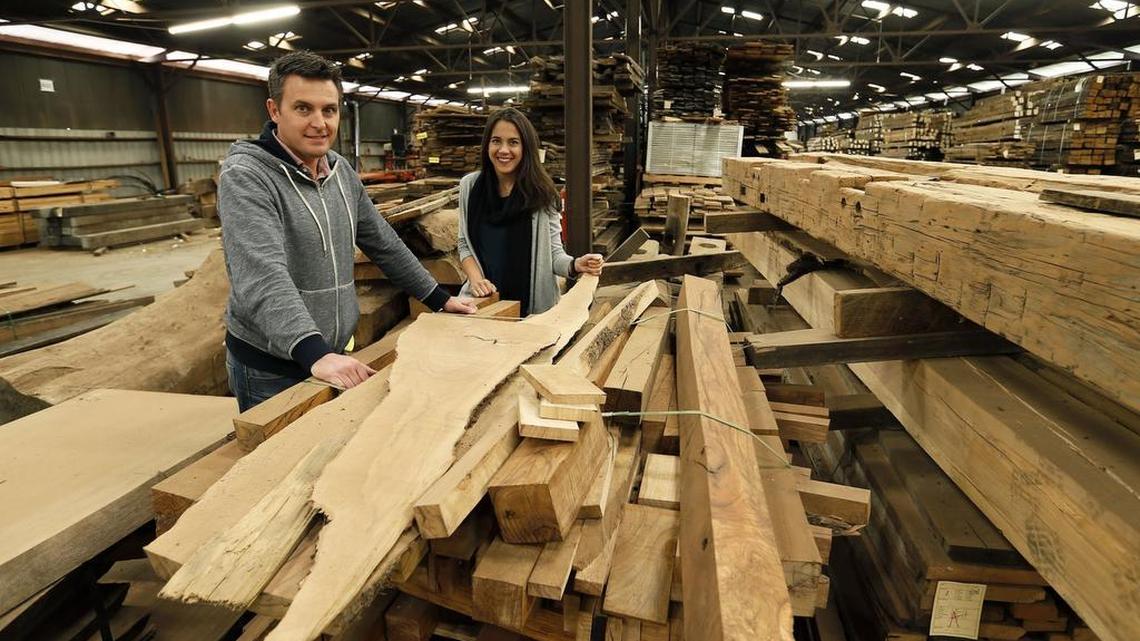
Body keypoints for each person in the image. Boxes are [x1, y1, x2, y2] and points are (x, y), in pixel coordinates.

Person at [217, 51, 476, 411]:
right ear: (274, 111)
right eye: (303, 108)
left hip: (328, 353)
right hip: (272, 365)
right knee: (281, 463)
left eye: (329, 110)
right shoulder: (248, 177)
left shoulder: (339, 172)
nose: (319, 123)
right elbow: (262, 274)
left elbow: (382, 242)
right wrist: (314, 352)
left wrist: (437, 297)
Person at [457, 107, 603, 316]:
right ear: (487, 144)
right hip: (482, 303)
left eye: (513, 142)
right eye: (496, 141)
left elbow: (553, 255)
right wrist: (476, 280)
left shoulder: (543, 195)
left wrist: (575, 264)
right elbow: (464, 243)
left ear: (526, 147)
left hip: (530, 311)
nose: (503, 150)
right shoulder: (469, 187)